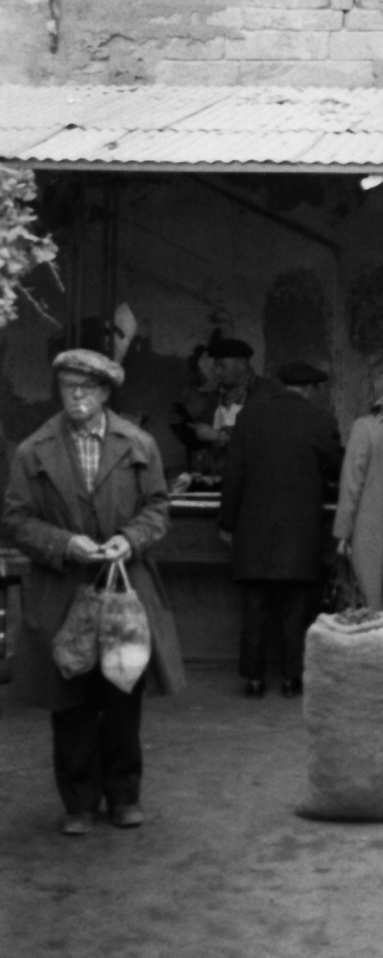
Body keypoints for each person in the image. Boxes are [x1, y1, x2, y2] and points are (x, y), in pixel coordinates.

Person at [1, 348, 184, 835]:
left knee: (123, 693)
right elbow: (15, 520)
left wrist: (131, 538)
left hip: (124, 592)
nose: (77, 396)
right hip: (63, 591)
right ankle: (79, 802)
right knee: (71, 698)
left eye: (87, 388)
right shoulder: (32, 451)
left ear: (105, 393)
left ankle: (124, 796)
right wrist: (64, 544)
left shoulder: (138, 444)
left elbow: (159, 508)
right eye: (68, 388)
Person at [219, 361, 342, 698]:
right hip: (299, 534)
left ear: (280, 384)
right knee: (296, 609)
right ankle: (292, 678)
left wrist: (228, 524)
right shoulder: (321, 421)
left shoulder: (249, 418)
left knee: (254, 608)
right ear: (311, 389)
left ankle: (254, 680)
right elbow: (337, 467)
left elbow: (233, 477)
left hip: (254, 532)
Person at [333, 372, 383, 612]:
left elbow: (351, 486)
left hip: (370, 532)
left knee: (372, 602)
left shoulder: (364, 427)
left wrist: (342, 532)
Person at [170, 335, 263, 478]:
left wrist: (219, 435)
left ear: (242, 363)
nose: (217, 372)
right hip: (217, 477)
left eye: (222, 366)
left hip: (253, 478)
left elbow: (265, 437)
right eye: (216, 366)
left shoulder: (264, 393)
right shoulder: (214, 395)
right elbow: (195, 433)